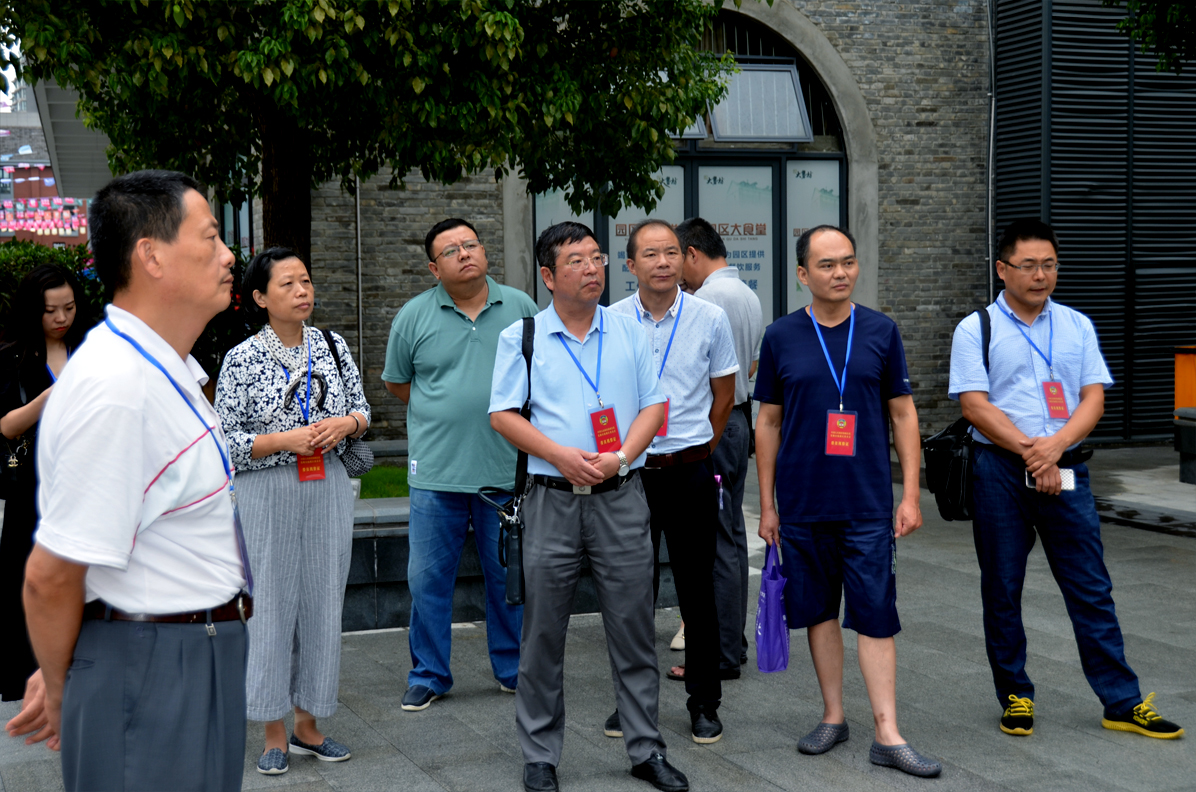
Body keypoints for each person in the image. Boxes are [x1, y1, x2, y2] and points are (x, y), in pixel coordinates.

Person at [19, 170, 251, 791]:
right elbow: (50, 576)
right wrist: (66, 682)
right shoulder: (117, 387)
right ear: (151, 255)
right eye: (210, 237)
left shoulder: (165, 367)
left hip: (190, 647)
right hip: (152, 661)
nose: (229, 255)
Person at [949, 218, 1184, 740]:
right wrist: (1035, 455)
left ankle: (1121, 701)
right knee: (1002, 588)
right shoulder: (976, 328)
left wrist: (1055, 449)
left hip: (1067, 467)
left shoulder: (1077, 325)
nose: (1040, 275)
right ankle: (1015, 696)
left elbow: (1093, 398)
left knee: (1090, 586)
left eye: (1049, 265)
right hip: (1000, 472)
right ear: (1002, 269)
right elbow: (974, 405)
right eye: (1029, 265)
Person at [489, 222, 687, 792]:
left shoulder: (627, 330)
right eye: (576, 260)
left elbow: (654, 406)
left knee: (634, 628)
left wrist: (620, 458)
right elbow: (503, 415)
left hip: (620, 497)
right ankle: (539, 755)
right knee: (542, 634)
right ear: (549, 276)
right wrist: (559, 455)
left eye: (597, 258)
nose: (592, 268)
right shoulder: (523, 337)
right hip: (550, 500)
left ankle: (645, 748)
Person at [755, 225, 941, 778]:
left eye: (848, 262)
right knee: (818, 612)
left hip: (867, 502)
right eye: (827, 264)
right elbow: (768, 422)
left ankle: (888, 732)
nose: (841, 273)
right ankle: (833, 716)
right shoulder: (780, 336)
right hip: (803, 502)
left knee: (876, 614)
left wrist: (911, 493)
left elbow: (903, 414)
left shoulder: (881, 331)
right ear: (802, 274)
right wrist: (767, 505)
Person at [215, 247, 371, 774]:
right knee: (272, 604)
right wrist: (283, 439)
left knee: (324, 599)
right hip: (268, 489)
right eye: (288, 284)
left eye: (305, 280)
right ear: (260, 298)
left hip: (327, 482)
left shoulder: (332, 345)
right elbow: (224, 442)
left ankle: (309, 724)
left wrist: (345, 425)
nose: (302, 291)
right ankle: (272, 730)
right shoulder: (241, 358)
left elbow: (363, 410)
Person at [381, 218, 536, 712]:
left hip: (505, 473)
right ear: (434, 268)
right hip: (436, 474)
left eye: (471, 244)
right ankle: (429, 674)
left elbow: (542, 374)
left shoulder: (521, 308)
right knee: (427, 581)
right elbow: (398, 383)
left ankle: (514, 668)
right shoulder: (413, 316)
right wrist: (445, 409)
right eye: (451, 250)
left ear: (484, 252)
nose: (465, 253)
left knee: (509, 578)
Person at [607, 219, 738, 745]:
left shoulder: (710, 317)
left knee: (697, 589)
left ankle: (704, 702)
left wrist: (700, 447)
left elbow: (723, 395)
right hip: (631, 474)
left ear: (685, 260)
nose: (662, 262)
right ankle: (632, 703)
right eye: (650, 254)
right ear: (631, 264)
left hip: (689, 471)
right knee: (630, 592)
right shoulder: (612, 320)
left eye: (671, 253)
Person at [675, 217, 763, 678]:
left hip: (717, 423)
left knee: (717, 541)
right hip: (739, 420)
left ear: (692, 252)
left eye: (675, 257)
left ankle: (722, 653)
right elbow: (748, 365)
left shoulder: (707, 300)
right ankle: (733, 642)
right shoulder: (747, 294)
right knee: (731, 534)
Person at [0, 265, 87, 705]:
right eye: (50, 310)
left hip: (85, 487)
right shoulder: (13, 356)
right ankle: (35, 689)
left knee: (82, 586)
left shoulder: (90, 349)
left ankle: (80, 683)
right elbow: (7, 425)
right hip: (31, 493)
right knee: (30, 586)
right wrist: (54, 393)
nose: (61, 318)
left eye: (68, 307)